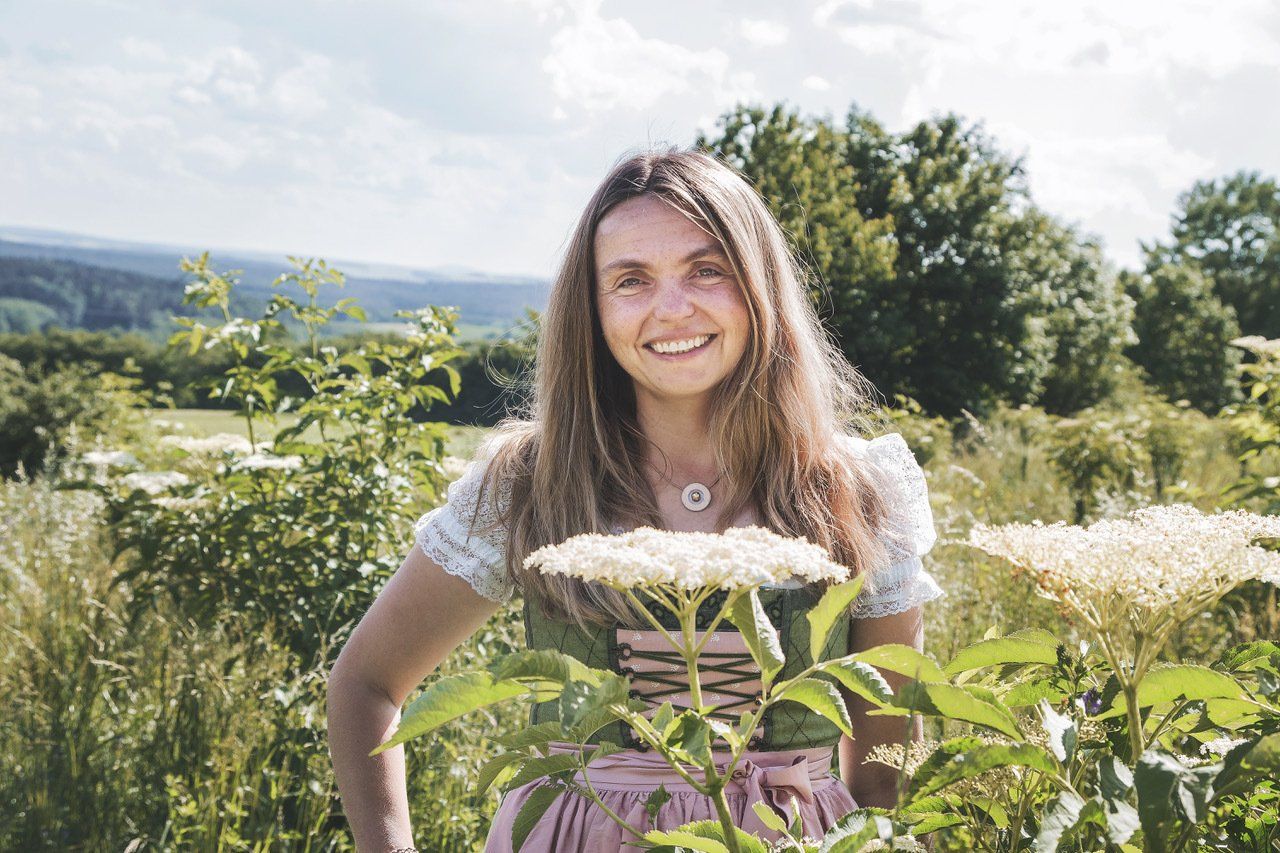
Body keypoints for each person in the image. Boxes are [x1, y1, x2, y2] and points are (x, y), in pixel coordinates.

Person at [327, 147, 942, 852]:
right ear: (590, 308)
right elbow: (367, 682)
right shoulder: (532, 482)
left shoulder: (857, 490)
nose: (672, 308)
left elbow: (889, 773)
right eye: (630, 280)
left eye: (707, 269)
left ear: (760, 284)